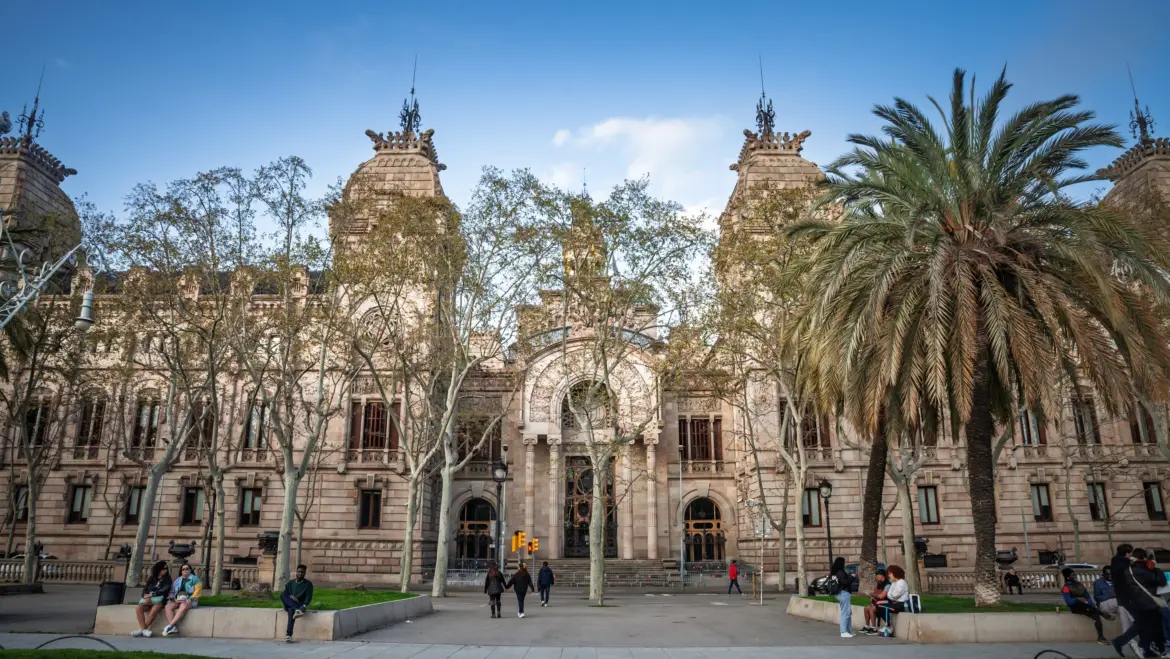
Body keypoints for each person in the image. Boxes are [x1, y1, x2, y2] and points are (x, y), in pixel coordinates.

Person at [1126, 548, 1168, 656]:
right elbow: (1162, 581)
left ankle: (1148, 649)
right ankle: (1148, 647)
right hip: (1150, 603)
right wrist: (1156, 569)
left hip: (1136, 603)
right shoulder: (1144, 571)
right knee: (1156, 627)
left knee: (1147, 627)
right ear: (1144, 558)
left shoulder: (1129, 571)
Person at [1061, 568, 1107, 645]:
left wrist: (1092, 605)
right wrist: (1077, 599)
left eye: (1075, 574)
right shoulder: (1066, 587)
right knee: (1092, 611)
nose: (1075, 576)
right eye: (1072, 575)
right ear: (1068, 577)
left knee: (1095, 614)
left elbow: (1088, 597)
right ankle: (1102, 614)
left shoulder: (1081, 584)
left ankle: (1101, 637)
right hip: (1075, 607)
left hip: (1086, 606)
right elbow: (1068, 602)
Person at [132, 561, 172, 638]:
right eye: (163, 569)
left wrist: (151, 595)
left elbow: (164, 590)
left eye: (166, 569)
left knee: (155, 608)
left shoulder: (168, 578)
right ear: (158, 569)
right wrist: (145, 597)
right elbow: (145, 589)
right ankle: (144, 630)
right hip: (149, 600)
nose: (166, 570)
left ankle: (142, 630)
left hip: (160, 600)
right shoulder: (152, 578)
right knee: (139, 608)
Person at [162, 563, 202, 636]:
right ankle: (173, 627)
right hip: (178, 599)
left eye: (187, 569)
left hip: (190, 600)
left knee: (183, 605)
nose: (185, 570)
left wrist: (190, 599)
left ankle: (170, 626)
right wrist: (171, 597)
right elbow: (172, 591)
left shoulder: (195, 579)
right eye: (183, 569)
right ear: (181, 571)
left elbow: (197, 593)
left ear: (190, 570)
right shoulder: (178, 580)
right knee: (168, 606)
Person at [281, 564, 314, 643]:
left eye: (302, 572)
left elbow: (308, 597)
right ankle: (296, 609)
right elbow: (286, 594)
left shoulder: (308, 584)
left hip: (300, 605)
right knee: (282, 594)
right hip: (291, 603)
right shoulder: (290, 583)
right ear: (296, 572)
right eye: (299, 572)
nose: (300, 573)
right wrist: (291, 596)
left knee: (290, 611)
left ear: (304, 573)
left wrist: (304, 606)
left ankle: (288, 635)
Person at [875, 565, 910, 638]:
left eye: (890, 573)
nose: (889, 575)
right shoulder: (894, 583)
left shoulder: (902, 583)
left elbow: (894, 596)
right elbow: (889, 596)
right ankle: (888, 625)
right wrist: (890, 595)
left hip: (902, 604)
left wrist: (890, 595)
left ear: (895, 573)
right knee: (878, 605)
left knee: (883, 607)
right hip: (894, 603)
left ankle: (889, 626)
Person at [830, 557, 854, 638]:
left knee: (848, 612)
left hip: (840, 593)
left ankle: (848, 630)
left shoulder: (835, 572)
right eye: (844, 562)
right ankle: (844, 631)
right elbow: (845, 582)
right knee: (845, 613)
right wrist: (852, 577)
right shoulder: (840, 572)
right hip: (843, 593)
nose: (844, 564)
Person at [861, 569, 889, 635]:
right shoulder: (879, 584)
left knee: (871, 608)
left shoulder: (887, 585)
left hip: (884, 602)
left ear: (881, 576)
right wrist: (872, 597)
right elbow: (875, 594)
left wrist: (873, 595)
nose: (876, 578)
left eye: (877, 576)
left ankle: (874, 628)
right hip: (877, 602)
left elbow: (882, 596)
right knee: (866, 608)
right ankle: (867, 626)